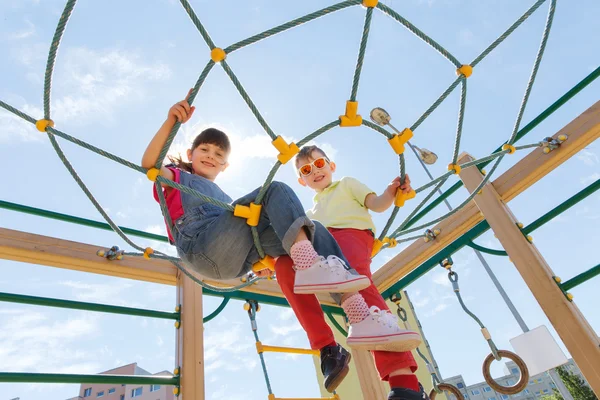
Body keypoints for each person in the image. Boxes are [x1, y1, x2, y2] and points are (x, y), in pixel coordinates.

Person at [142, 92, 418, 390]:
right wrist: (172, 121)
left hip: (230, 261)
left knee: (313, 231)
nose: (211, 156)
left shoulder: (224, 199)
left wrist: (263, 262)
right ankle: (312, 265)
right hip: (200, 244)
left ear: (226, 166)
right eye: (204, 150)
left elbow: (244, 236)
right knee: (274, 190)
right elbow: (150, 164)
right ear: (191, 153)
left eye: (219, 155)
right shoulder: (176, 177)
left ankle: (358, 316)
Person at [273, 145, 427, 400]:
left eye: (320, 164)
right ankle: (328, 348)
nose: (316, 171)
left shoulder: (346, 184)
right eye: (307, 170)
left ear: (331, 166)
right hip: (322, 247)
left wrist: (392, 191)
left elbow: (377, 204)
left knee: (360, 288)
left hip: (350, 235)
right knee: (284, 267)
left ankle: (405, 382)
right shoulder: (308, 214)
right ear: (302, 180)